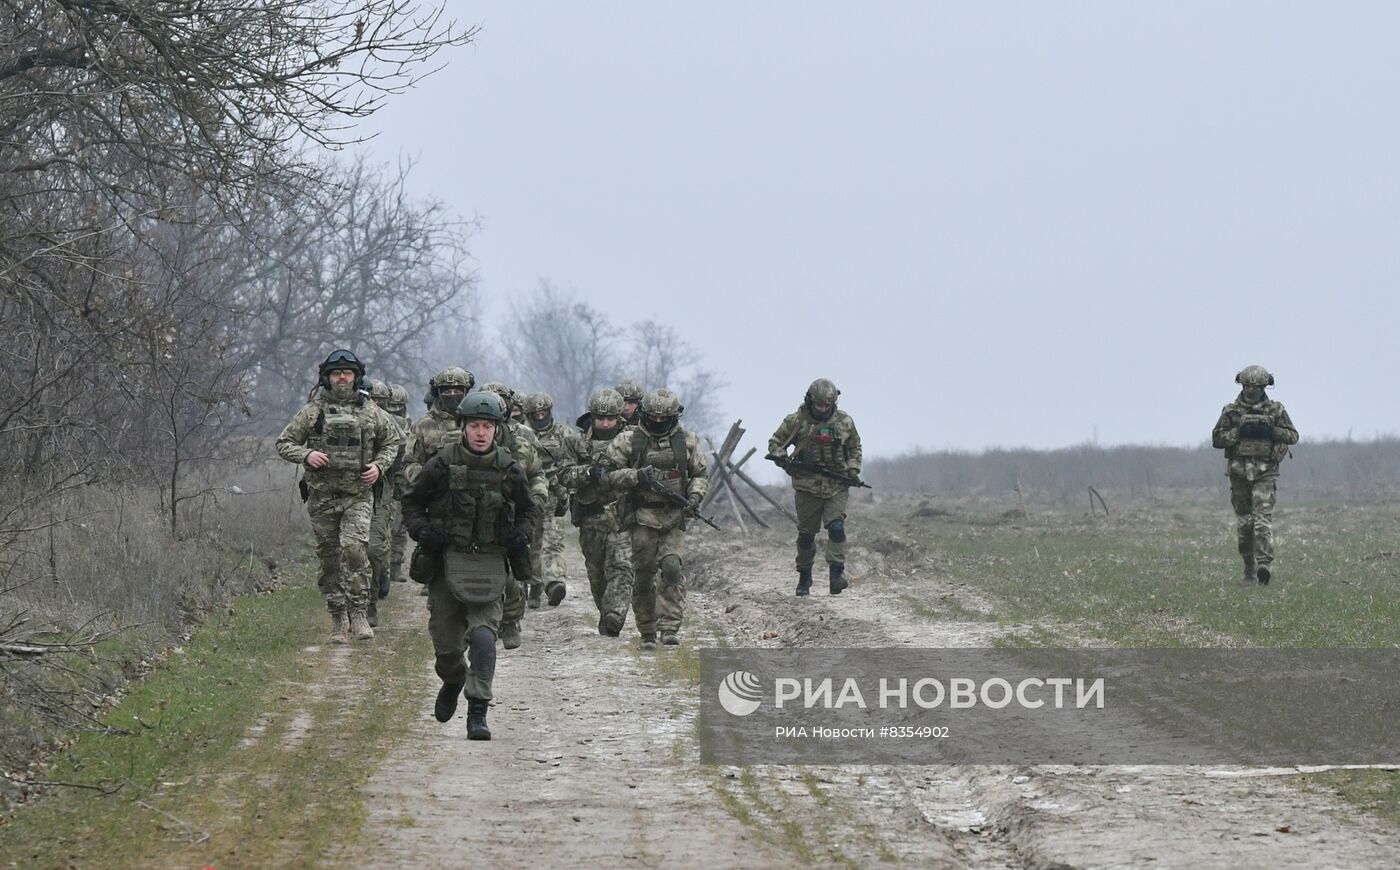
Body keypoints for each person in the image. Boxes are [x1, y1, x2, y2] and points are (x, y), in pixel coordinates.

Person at [401, 391, 537, 740]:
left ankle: (478, 712)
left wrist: (521, 533)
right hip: (448, 562)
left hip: (491, 563)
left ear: (497, 429)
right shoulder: (441, 464)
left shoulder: (509, 469)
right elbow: (412, 503)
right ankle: (453, 679)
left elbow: (528, 511)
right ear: (463, 427)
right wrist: (422, 530)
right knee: (447, 648)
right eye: (474, 425)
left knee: (483, 638)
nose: (480, 432)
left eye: (487, 426)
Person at [276, 349, 403, 642]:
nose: (342, 378)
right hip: (322, 496)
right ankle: (337, 616)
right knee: (330, 558)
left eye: (347, 373)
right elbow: (283, 443)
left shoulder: (371, 410)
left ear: (356, 376)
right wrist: (307, 454)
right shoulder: (312, 411)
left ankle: (359, 613)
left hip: (357, 495)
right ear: (327, 378)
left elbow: (392, 441)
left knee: (355, 550)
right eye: (337, 373)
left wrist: (379, 467)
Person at [604, 389, 708, 649]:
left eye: (665, 418)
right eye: (654, 418)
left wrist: (694, 497)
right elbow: (608, 475)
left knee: (672, 568)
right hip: (641, 517)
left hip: (674, 516)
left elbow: (700, 474)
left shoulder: (688, 441)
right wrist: (636, 476)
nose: (659, 423)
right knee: (643, 576)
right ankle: (648, 630)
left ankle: (670, 627)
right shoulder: (628, 441)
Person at [767, 378, 864, 596]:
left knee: (837, 527)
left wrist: (852, 469)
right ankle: (804, 575)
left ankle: (836, 574)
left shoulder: (844, 422)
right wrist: (782, 458)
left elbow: (855, 446)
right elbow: (775, 443)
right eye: (819, 405)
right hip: (806, 486)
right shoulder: (796, 421)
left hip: (836, 485)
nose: (822, 409)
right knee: (806, 535)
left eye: (827, 406)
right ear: (811, 401)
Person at [1211, 365, 1299, 585]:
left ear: (1264, 387)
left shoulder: (1276, 410)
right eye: (1248, 386)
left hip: (1266, 472)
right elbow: (1217, 439)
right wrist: (1238, 432)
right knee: (1245, 524)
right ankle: (1249, 568)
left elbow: (1293, 435)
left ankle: (1264, 564)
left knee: (1261, 521)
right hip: (1239, 473)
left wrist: (1270, 431)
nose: (1251, 390)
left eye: (1256, 387)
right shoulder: (1231, 411)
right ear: (1242, 385)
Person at [559, 389, 635, 636]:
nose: (605, 423)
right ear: (591, 416)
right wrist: (589, 473)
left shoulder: (633, 440)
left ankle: (615, 614)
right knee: (596, 572)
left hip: (623, 517)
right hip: (590, 517)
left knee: (622, 567)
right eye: (600, 418)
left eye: (610, 419)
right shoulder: (575, 441)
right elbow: (564, 474)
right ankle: (606, 613)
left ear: (618, 417)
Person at [479, 382, 549, 646]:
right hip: (471, 515)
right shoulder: (461, 438)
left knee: (512, 573)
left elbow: (537, 474)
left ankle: (510, 621)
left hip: (511, 516)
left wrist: (537, 499)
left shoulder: (522, 440)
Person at [523, 392, 582, 609]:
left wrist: (571, 493)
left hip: (555, 498)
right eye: (535, 414)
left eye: (543, 413)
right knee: (532, 546)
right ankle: (534, 586)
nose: (540, 417)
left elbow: (573, 464)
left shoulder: (564, 434)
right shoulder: (522, 434)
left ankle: (555, 582)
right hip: (528, 499)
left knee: (553, 543)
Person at [366, 379, 409, 626]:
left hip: (380, 492)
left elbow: (401, 454)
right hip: (344, 492)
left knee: (375, 548)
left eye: (381, 402)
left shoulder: (393, 426)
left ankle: (370, 601)